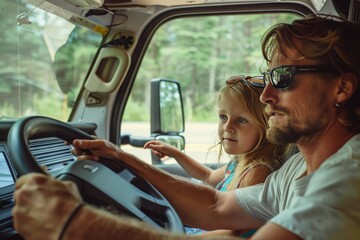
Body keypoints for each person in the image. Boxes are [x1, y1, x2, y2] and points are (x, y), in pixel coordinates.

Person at [12, 15, 360, 240]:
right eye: (268, 76)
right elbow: (217, 206)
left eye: (283, 77)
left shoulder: (349, 179)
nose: (267, 95)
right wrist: (123, 158)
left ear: (342, 88)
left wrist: (74, 223)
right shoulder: (301, 166)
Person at [144, 76, 289, 236]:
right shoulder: (238, 162)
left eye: (241, 120)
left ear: (265, 125)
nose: (228, 127)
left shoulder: (258, 170)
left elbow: (231, 231)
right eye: (223, 117)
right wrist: (175, 153)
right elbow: (208, 175)